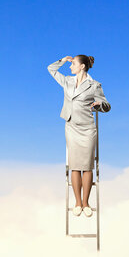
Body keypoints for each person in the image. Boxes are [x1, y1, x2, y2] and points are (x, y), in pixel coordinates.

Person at [47, 55, 111, 217]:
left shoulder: (94, 85)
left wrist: (99, 105)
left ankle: (86, 203)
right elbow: (51, 69)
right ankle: (77, 203)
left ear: (82, 66)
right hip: (71, 127)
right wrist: (63, 60)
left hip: (88, 129)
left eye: (73, 64)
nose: (70, 67)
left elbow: (107, 105)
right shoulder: (67, 81)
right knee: (75, 165)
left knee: (87, 165)